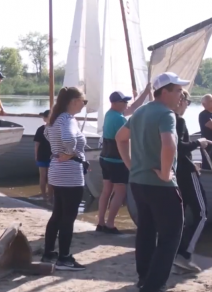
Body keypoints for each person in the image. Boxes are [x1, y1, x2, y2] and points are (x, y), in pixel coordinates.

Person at [116, 72, 188, 292]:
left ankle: (144, 279)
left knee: (146, 232)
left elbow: (120, 137)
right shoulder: (167, 114)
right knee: (170, 237)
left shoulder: (140, 112)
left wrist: (131, 165)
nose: (181, 95)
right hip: (160, 184)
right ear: (164, 91)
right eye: (177, 91)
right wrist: (167, 173)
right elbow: (169, 145)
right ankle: (152, 291)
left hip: (139, 183)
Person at [42, 87, 89, 271]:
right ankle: (64, 257)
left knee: (57, 214)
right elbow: (69, 139)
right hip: (70, 174)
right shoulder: (68, 119)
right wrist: (70, 153)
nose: (83, 105)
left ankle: (48, 253)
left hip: (56, 171)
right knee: (68, 217)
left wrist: (58, 151)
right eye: (82, 101)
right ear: (73, 101)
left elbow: (47, 134)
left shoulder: (55, 118)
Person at [96, 87, 151, 234]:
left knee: (106, 190)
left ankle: (100, 222)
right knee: (120, 192)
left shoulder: (110, 114)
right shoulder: (120, 118)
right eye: (125, 101)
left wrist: (146, 91)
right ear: (117, 103)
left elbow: (133, 107)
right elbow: (130, 136)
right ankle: (110, 224)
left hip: (104, 158)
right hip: (117, 161)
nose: (127, 104)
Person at [173, 90, 209, 272]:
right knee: (202, 213)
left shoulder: (165, 119)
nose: (188, 105)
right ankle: (185, 255)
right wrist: (199, 143)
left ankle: (174, 252)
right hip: (185, 174)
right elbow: (178, 147)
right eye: (187, 101)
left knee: (180, 216)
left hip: (175, 173)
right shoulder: (178, 121)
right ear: (181, 101)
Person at [34, 110, 53, 201]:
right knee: (49, 176)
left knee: (43, 176)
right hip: (50, 155)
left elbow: (37, 144)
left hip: (43, 155)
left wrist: (36, 155)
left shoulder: (41, 129)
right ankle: (49, 196)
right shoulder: (54, 129)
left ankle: (45, 195)